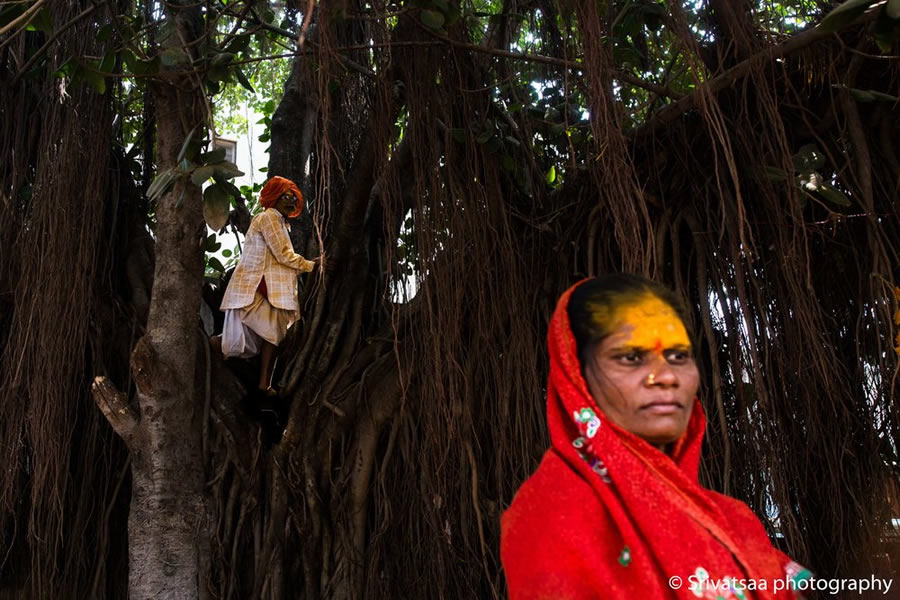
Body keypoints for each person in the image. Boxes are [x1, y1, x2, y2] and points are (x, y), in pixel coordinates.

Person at [500, 274, 811, 599]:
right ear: (577, 373)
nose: (665, 376)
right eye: (631, 357)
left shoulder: (735, 521)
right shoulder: (549, 518)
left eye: (678, 356)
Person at [217, 176, 317, 395]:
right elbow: (283, 254)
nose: (291, 202)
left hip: (263, 288)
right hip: (257, 286)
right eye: (286, 197)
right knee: (271, 333)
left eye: (294, 198)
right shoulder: (269, 217)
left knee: (265, 335)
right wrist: (312, 265)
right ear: (274, 198)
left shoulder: (279, 222)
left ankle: (261, 382)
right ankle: (264, 384)